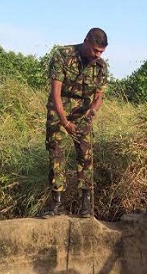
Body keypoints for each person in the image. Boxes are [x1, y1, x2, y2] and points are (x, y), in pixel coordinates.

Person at [40, 28, 108, 218]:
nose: (98, 55)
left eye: (101, 52)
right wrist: (64, 122)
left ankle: (86, 204)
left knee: (85, 156)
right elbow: (55, 92)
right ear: (86, 41)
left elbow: (98, 97)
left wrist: (90, 116)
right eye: (95, 50)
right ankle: (56, 203)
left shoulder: (100, 66)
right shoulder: (63, 54)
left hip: (83, 113)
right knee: (56, 152)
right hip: (59, 107)